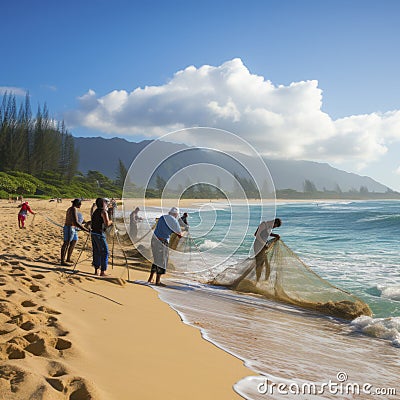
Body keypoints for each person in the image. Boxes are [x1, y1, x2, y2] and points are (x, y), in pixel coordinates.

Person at [148, 207, 182, 286]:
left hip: (154, 240)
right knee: (162, 260)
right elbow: (179, 235)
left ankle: (150, 278)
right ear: (175, 214)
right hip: (162, 241)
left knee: (156, 259)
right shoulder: (174, 221)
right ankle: (158, 281)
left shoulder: (162, 217)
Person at [61, 199, 89, 266]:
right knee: (66, 243)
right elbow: (75, 222)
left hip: (73, 228)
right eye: (80, 204)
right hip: (69, 228)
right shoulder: (73, 209)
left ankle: (68, 258)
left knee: (74, 241)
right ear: (77, 204)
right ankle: (62, 261)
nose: (80, 205)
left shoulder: (71, 209)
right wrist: (85, 229)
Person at [253, 218, 282, 282]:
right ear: (274, 223)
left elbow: (267, 233)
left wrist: (275, 235)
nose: (274, 227)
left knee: (264, 264)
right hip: (258, 245)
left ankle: (262, 281)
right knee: (259, 263)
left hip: (263, 246)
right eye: (275, 226)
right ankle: (257, 280)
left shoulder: (269, 227)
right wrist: (264, 244)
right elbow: (256, 234)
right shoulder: (263, 224)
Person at [91, 197, 113, 276]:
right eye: (105, 203)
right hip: (99, 234)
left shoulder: (95, 211)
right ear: (102, 204)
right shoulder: (103, 212)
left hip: (93, 233)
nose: (106, 204)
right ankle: (102, 271)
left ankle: (96, 270)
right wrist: (112, 221)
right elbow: (107, 224)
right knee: (105, 252)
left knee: (96, 251)